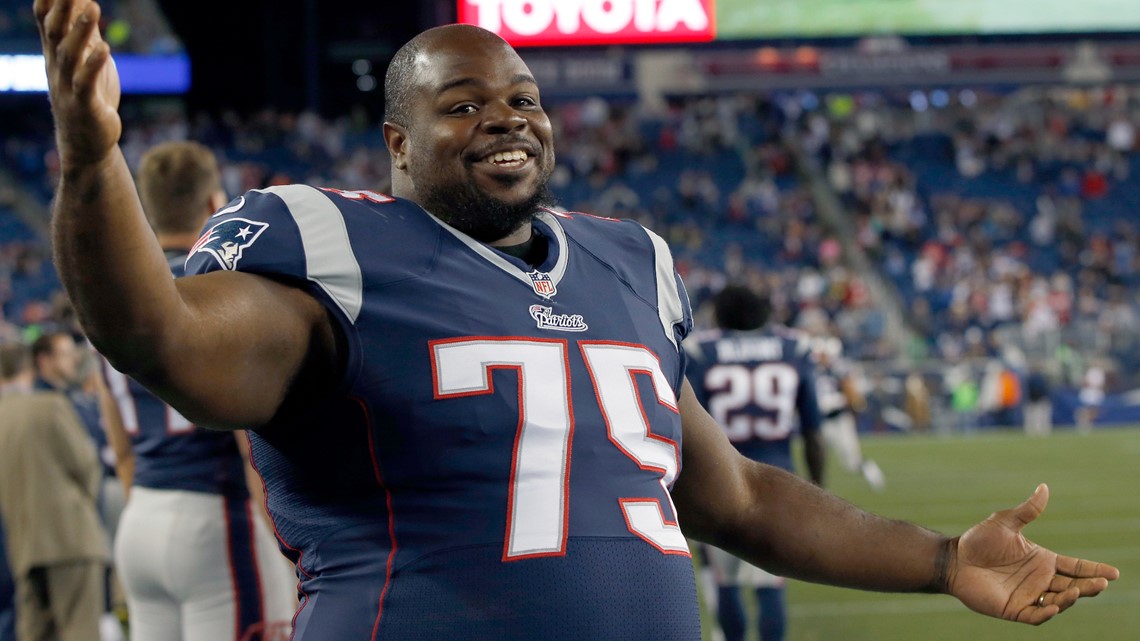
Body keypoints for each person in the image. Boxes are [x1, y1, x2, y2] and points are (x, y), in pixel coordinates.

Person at [37, 4, 1119, 640]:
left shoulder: (627, 258)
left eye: (522, 98)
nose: (504, 115)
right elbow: (158, 337)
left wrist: (937, 559)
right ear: (398, 144)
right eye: (460, 103)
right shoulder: (328, 245)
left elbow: (732, 493)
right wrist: (92, 167)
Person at [96, 141, 297, 641]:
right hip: (216, 518)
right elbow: (250, 445)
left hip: (142, 512)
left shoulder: (116, 294)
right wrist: (286, 548)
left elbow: (118, 442)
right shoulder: (220, 286)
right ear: (215, 204)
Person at [684, 285, 825, 641]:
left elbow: (684, 423)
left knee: (726, 582)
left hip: (718, 478)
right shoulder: (793, 348)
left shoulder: (702, 351)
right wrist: (818, 489)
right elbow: (813, 432)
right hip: (778, 480)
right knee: (770, 584)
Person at [0, 341, 109, 641]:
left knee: (35, 633)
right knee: (80, 632)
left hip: (22, 547)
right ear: (29, 367)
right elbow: (87, 465)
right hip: (70, 539)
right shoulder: (49, 405)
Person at [812, 335, 885, 491]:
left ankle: (869, 469)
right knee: (817, 456)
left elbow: (852, 394)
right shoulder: (813, 369)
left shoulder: (839, 369)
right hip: (821, 420)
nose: (820, 357)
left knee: (850, 460)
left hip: (839, 418)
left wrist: (838, 400)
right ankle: (819, 488)